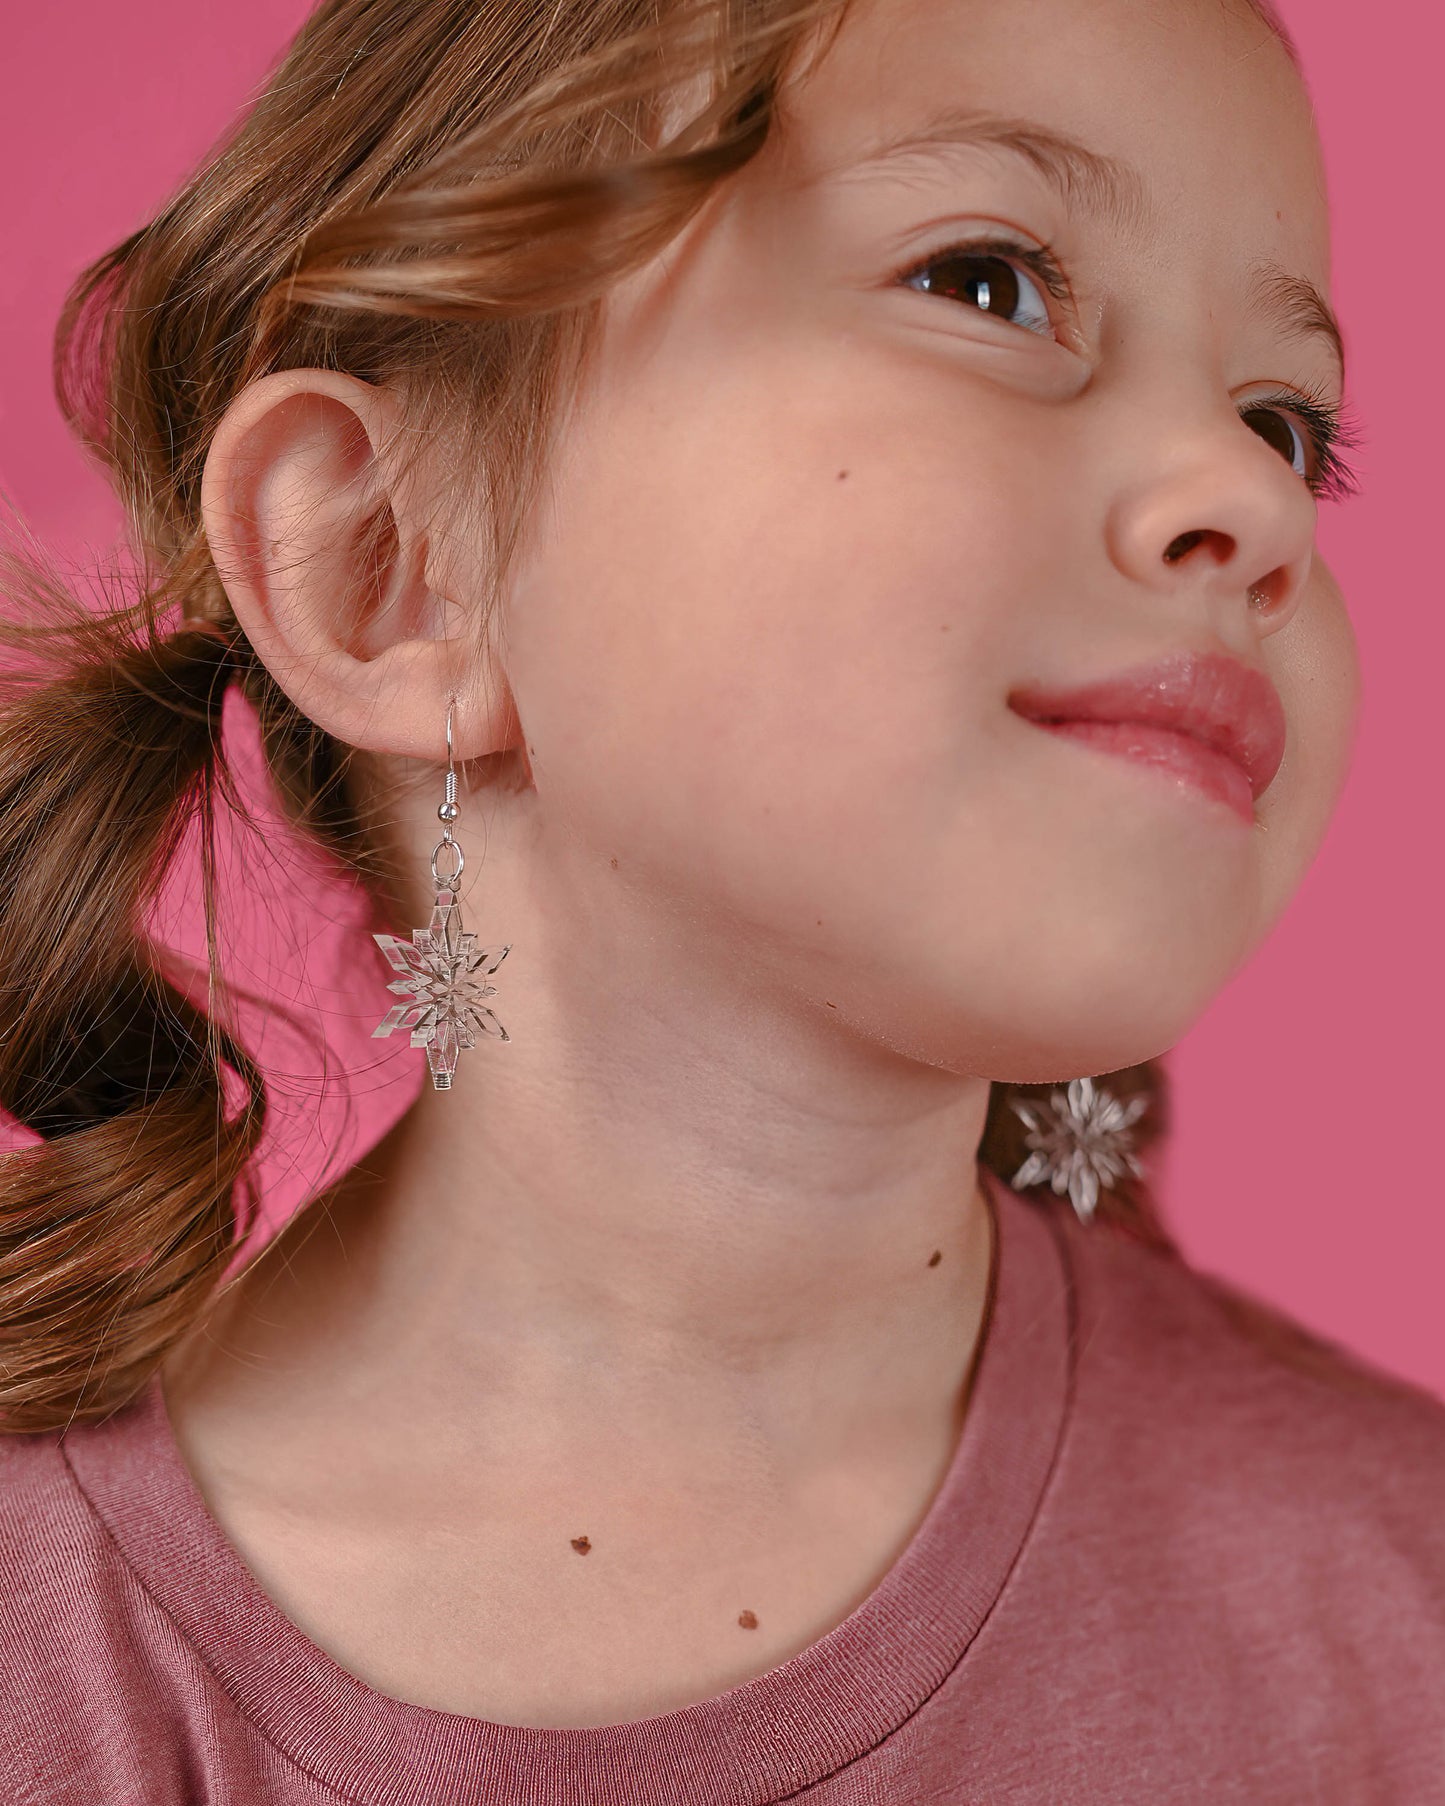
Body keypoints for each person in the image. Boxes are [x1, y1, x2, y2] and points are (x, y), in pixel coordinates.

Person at [1, 0, 1441, 1798]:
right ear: (392, 566)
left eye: (1284, 424)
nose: (1252, 500)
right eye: (988, 283)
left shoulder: (1401, 1605)